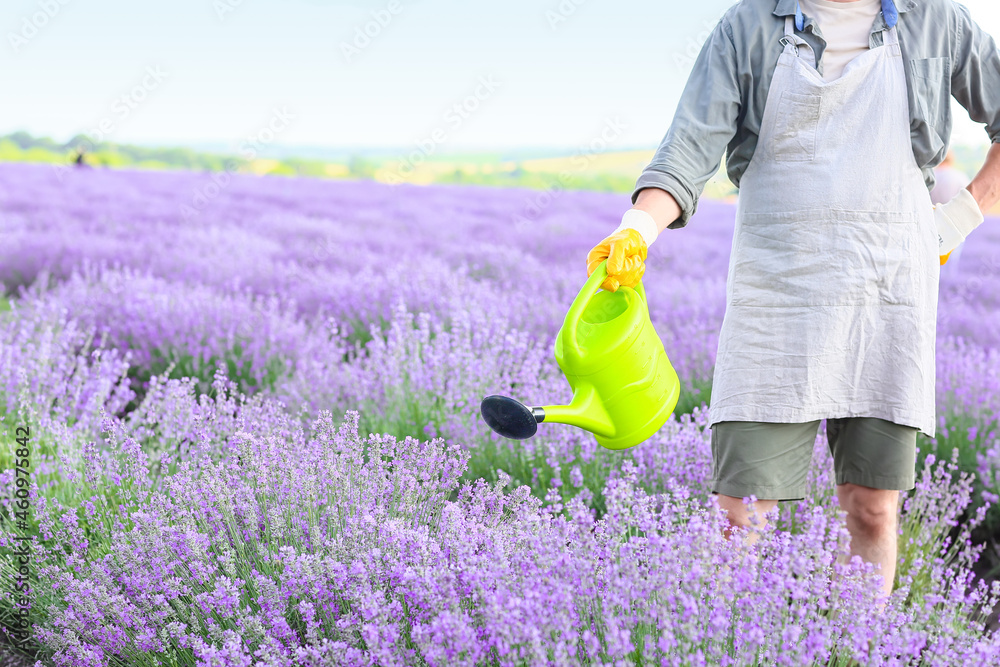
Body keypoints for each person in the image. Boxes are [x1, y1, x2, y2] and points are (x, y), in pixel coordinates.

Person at [586, 0, 1000, 603]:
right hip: (775, 298)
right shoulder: (748, 25)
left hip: (888, 296)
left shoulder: (935, 18)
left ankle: (858, 646)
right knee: (740, 518)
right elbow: (688, 147)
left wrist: (959, 219)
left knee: (873, 509)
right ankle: (724, 642)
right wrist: (635, 230)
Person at [931, 150, 972, 278]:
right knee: (952, 257)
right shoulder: (960, 176)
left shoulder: (932, 176)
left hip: (932, 219)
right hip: (955, 221)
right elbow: (969, 202)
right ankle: (950, 279)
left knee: (932, 255)